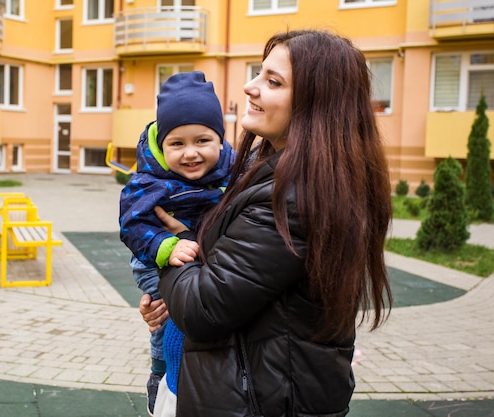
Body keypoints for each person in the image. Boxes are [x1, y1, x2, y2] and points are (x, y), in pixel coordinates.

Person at [145, 29, 394, 417]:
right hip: (247, 387)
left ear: (318, 104)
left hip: (255, 401)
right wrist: (170, 303)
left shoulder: (297, 196)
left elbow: (202, 309)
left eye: (272, 81)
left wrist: (172, 246)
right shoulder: (275, 172)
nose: (250, 87)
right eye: (259, 74)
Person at [118, 71, 235, 416]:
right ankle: (160, 379)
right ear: (161, 145)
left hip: (199, 258)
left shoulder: (233, 172)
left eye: (202, 141)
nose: (190, 154)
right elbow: (131, 224)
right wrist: (165, 247)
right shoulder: (150, 181)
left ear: (220, 139)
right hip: (155, 259)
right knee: (167, 317)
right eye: (177, 144)